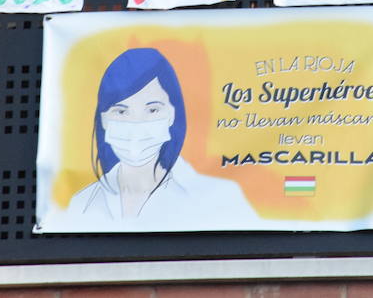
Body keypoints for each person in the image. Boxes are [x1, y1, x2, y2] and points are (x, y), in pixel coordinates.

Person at [62, 47, 254, 229]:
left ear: (172, 114)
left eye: (152, 109)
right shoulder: (82, 203)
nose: (136, 124)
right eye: (121, 111)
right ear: (103, 119)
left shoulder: (221, 198)